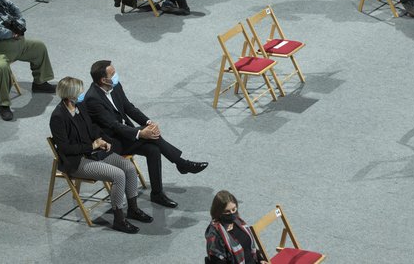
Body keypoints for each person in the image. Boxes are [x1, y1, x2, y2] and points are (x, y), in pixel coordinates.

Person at [84, 60, 208, 209]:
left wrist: (149, 122)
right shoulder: (92, 99)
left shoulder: (114, 86)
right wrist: (140, 133)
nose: (116, 75)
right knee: (151, 138)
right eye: (113, 73)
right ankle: (182, 164)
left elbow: (129, 107)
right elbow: (113, 125)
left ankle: (157, 193)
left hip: (125, 135)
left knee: (153, 149)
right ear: (103, 80)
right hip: (111, 143)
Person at [49, 77, 152, 234]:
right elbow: (66, 148)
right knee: (118, 175)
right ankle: (119, 220)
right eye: (79, 91)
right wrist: (91, 146)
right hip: (77, 161)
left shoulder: (80, 106)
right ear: (70, 95)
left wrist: (100, 139)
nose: (82, 94)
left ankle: (133, 209)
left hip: (94, 152)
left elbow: (92, 127)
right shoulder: (58, 117)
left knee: (129, 168)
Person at [205, 190, 268, 264]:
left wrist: (260, 260)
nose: (232, 213)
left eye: (234, 209)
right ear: (218, 212)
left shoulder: (239, 223)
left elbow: (248, 247)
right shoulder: (215, 235)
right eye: (227, 211)